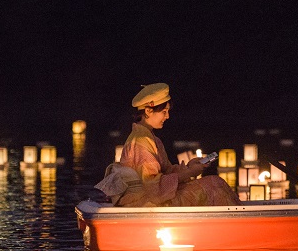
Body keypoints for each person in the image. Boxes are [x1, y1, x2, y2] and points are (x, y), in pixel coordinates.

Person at [95, 83, 240, 207]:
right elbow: (152, 185)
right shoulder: (140, 141)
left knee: (216, 182)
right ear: (148, 111)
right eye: (164, 111)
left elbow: (166, 172)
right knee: (213, 186)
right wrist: (190, 173)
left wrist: (189, 166)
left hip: (154, 196)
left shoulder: (151, 138)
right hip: (144, 202)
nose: (167, 116)